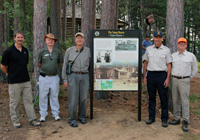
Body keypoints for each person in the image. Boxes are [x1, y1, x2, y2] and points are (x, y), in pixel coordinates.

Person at [1, 30, 41, 128]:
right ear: (14, 38)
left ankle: (32, 119)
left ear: (23, 39)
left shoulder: (25, 51)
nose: (20, 39)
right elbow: (2, 65)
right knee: (14, 102)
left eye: (21, 37)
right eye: (18, 37)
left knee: (28, 101)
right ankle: (15, 121)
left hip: (26, 81)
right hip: (14, 82)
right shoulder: (8, 51)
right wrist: (7, 73)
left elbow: (24, 64)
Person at [143, 31, 172, 127]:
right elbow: (145, 63)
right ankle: (151, 117)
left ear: (162, 39)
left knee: (163, 98)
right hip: (151, 75)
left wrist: (168, 78)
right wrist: (144, 76)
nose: (158, 39)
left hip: (162, 75)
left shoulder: (166, 50)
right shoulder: (148, 49)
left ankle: (164, 119)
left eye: (160, 37)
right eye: (156, 37)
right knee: (152, 97)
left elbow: (169, 65)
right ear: (153, 38)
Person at [169, 38, 198, 132]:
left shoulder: (191, 56)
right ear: (177, 45)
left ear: (186, 45)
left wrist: (189, 78)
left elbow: (195, 68)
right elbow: (169, 66)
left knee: (184, 101)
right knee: (175, 99)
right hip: (174, 79)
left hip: (184, 80)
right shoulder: (173, 55)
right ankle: (176, 118)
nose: (182, 45)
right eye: (180, 43)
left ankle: (185, 120)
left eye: (183, 43)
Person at [62, 32, 90, 127]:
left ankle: (82, 116)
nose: (79, 40)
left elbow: (91, 65)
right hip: (73, 76)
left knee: (83, 98)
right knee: (73, 99)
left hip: (85, 76)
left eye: (81, 38)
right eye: (78, 38)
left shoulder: (87, 51)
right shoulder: (69, 51)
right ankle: (72, 119)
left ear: (84, 40)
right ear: (75, 40)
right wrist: (65, 79)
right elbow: (65, 65)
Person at [37, 33, 62, 122]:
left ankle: (55, 113)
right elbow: (39, 63)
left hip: (54, 77)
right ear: (45, 41)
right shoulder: (42, 52)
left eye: (52, 40)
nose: (50, 41)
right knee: (43, 96)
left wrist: (52, 69)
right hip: (44, 77)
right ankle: (43, 114)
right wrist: (46, 69)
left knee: (54, 96)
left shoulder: (57, 52)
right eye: (48, 39)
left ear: (54, 41)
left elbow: (59, 63)